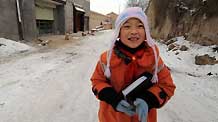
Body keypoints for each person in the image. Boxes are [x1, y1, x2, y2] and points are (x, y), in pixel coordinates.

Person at [90, 7, 176, 122]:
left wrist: (148, 99)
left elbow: (167, 86)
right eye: (127, 26)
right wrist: (112, 98)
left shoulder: (154, 60)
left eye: (140, 26)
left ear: (146, 32)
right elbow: (97, 81)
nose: (134, 31)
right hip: (111, 118)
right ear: (118, 32)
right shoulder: (106, 59)